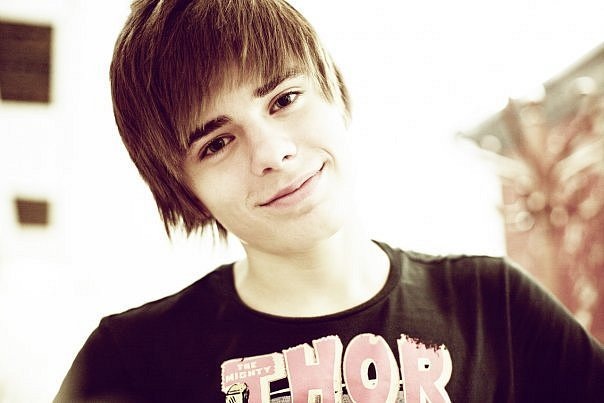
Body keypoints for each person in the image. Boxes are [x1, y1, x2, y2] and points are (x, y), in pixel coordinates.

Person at [55, 0, 604, 401]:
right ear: (185, 192)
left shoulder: (496, 307)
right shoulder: (131, 362)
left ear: (336, 95)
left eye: (284, 99)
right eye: (217, 143)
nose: (272, 152)